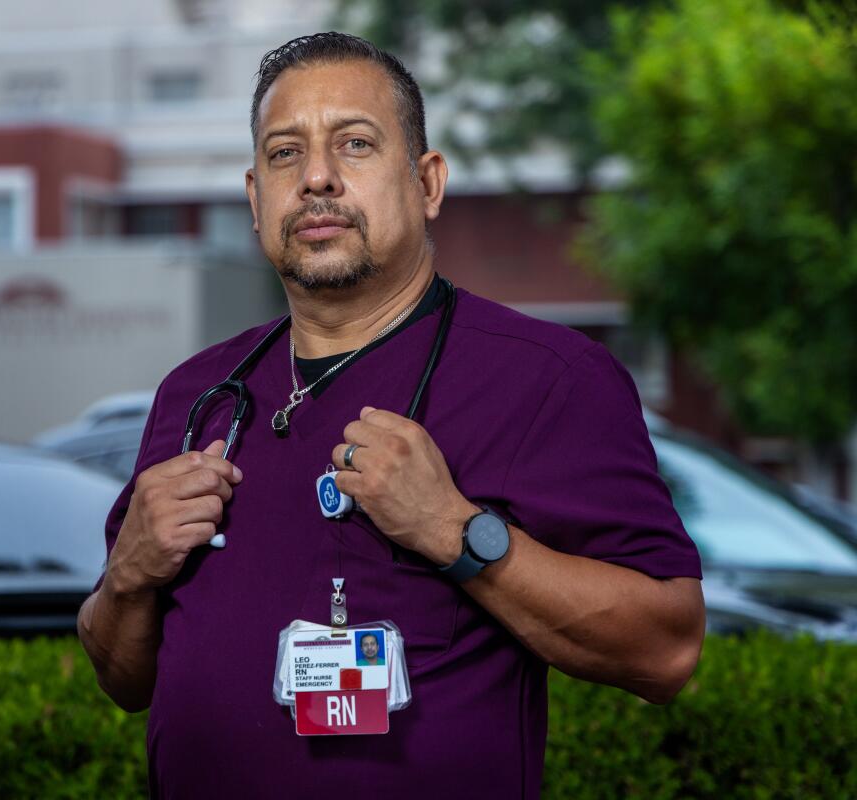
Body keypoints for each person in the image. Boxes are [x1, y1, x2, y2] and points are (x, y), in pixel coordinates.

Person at [78, 31, 704, 798]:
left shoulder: (548, 379)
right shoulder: (196, 393)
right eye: (284, 154)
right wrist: (129, 579)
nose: (316, 178)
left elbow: (668, 650)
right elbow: (122, 677)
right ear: (253, 198)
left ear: (428, 182)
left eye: (356, 144)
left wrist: (459, 534)